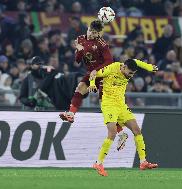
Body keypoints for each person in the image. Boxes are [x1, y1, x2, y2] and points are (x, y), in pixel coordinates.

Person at [59, 19, 128, 151]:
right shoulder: (80, 39)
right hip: (92, 73)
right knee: (79, 88)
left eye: (95, 32)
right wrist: (79, 50)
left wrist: (97, 71)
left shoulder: (102, 43)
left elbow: (110, 61)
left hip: (105, 75)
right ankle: (71, 114)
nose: (92, 34)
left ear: (99, 33)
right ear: (88, 28)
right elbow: (78, 61)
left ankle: (121, 134)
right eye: (91, 31)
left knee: (105, 105)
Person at [88, 59, 159, 176]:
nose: (130, 76)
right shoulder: (112, 68)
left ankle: (143, 162)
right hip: (109, 104)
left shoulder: (130, 66)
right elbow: (93, 73)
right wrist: (91, 84)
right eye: (130, 73)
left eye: (133, 74)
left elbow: (138, 62)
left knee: (136, 130)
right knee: (112, 133)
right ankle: (98, 163)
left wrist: (149, 67)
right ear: (124, 67)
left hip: (121, 105)